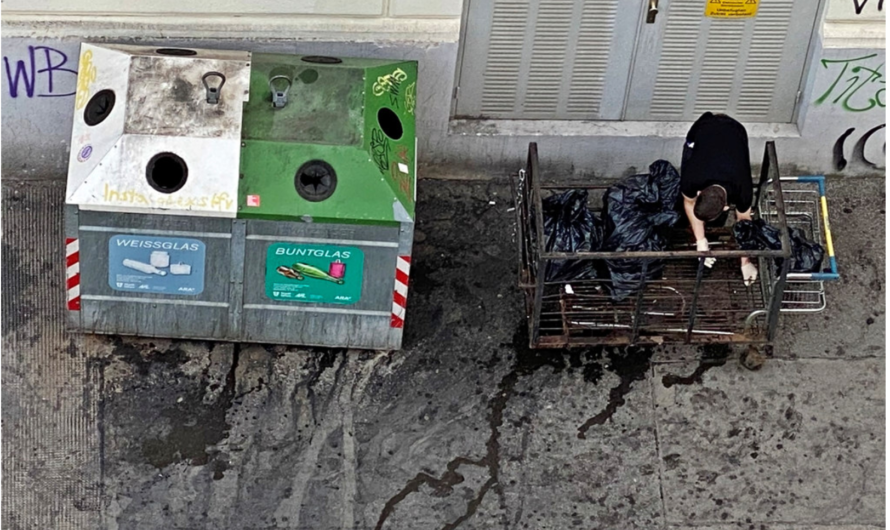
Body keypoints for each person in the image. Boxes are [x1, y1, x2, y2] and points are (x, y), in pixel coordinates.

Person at [680, 112, 758, 286]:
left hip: (735, 131)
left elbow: (744, 221)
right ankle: (698, 232)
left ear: (726, 207)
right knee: (689, 158)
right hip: (704, 126)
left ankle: (712, 227)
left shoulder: (742, 189)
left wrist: (746, 262)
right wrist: (701, 241)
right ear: (699, 192)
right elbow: (688, 202)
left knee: (716, 223)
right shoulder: (691, 178)